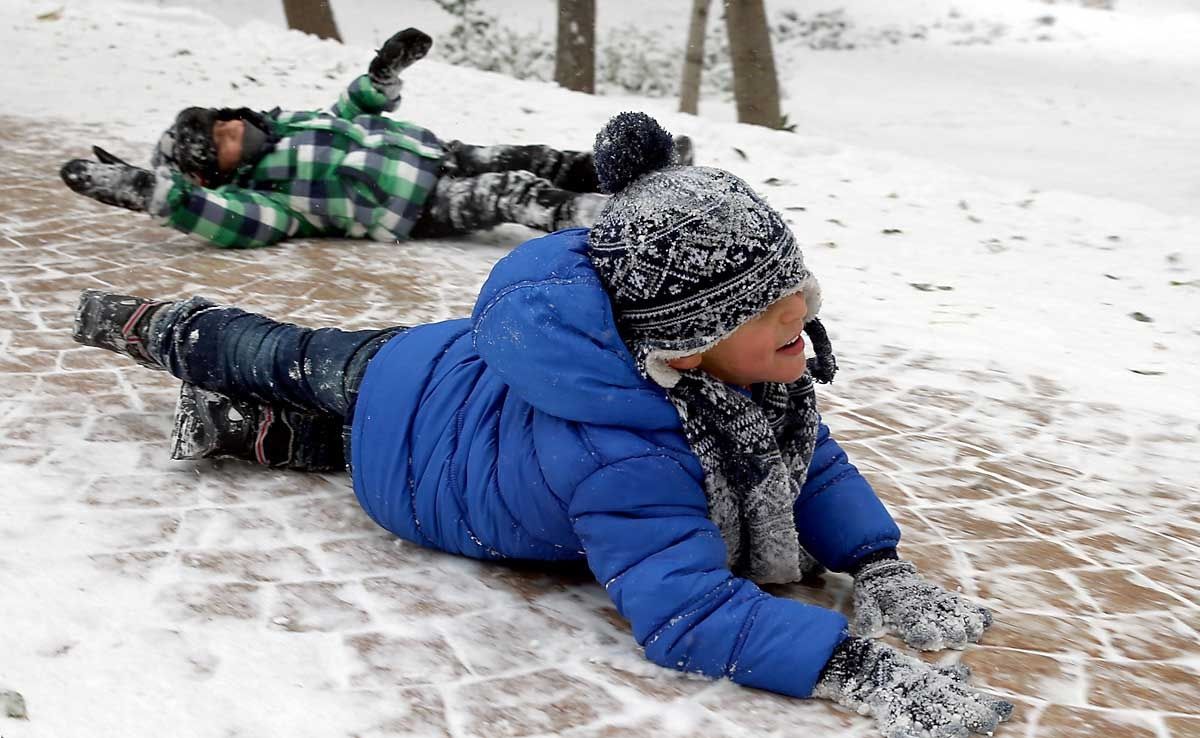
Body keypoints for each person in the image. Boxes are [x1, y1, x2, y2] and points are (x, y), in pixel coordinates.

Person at [70, 112, 1013, 737]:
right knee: (282, 354)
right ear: (687, 348)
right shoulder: (625, 459)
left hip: (450, 381)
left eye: (800, 295)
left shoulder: (747, 386)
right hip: (411, 445)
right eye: (773, 317)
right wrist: (856, 669)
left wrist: (880, 566)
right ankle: (160, 328)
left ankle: (250, 430)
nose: (802, 322)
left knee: (311, 388)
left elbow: (816, 466)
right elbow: (685, 614)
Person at [58, 28, 689, 248]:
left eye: (226, 120)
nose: (234, 128)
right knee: (513, 190)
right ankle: (628, 223)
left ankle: (644, 173)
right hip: (414, 205)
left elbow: (350, 111)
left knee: (536, 157)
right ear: (212, 175)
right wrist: (154, 193)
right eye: (221, 140)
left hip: (435, 153)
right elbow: (226, 221)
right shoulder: (266, 198)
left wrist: (382, 75)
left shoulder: (289, 125)